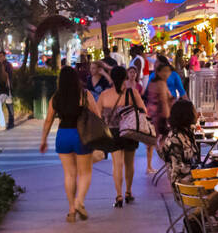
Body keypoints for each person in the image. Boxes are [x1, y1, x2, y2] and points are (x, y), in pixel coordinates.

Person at [39, 66, 101, 224]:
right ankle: (79, 201)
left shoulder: (56, 97)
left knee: (69, 174)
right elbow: (97, 115)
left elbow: (48, 121)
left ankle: (71, 211)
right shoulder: (84, 95)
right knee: (85, 172)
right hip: (81, 135)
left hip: (63, 136)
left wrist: (44, 139)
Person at [99, 65, 143, 208]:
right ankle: (128, 192)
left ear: (111, 78)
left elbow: (97, 115)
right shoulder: (132, 93)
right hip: (129, 131)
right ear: (125, 77)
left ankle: (118, 195)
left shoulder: (105, 95)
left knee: (117, 165)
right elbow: (144, 110)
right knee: (129, 164)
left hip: (113, 133)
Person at [158, 99, 201, 188]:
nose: (197, 114)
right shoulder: (175, 139)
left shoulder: (186, 133)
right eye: (194, 110)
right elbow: (177, 176)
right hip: (188, 187)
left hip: (195, 179)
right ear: (187, 115)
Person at [144, 60, 173, 174]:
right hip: (159, 115)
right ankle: (159, 160)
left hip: (151, 114)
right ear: (159, 72)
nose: (167, 74)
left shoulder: (152, 82)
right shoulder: (161, 84)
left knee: (152, 141)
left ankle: (149, 165)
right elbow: (164, 101)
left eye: (168, 71)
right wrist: (167, 117)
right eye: (164, 71)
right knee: (160, 139)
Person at [0, 50, 15, 130]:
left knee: (7, 107)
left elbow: (9, 77)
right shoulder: (0, 65)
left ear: (4, 56)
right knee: (0, 107)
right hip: (6, 90)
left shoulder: (7, 65)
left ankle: (9, 123)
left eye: (1, 56)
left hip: (6, 89)